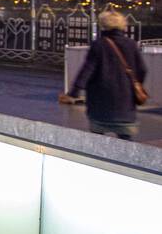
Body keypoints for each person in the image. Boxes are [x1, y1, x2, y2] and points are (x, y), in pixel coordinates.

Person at [60, 10, 147, 140]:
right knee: (126, 143)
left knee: (97, 142)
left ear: (104, 25)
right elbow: (142, 69)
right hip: (125, 103)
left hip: (99, 104)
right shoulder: (131, 44)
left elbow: (87, 71)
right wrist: (134, 86)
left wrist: (73, 93)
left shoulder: (98, 45)